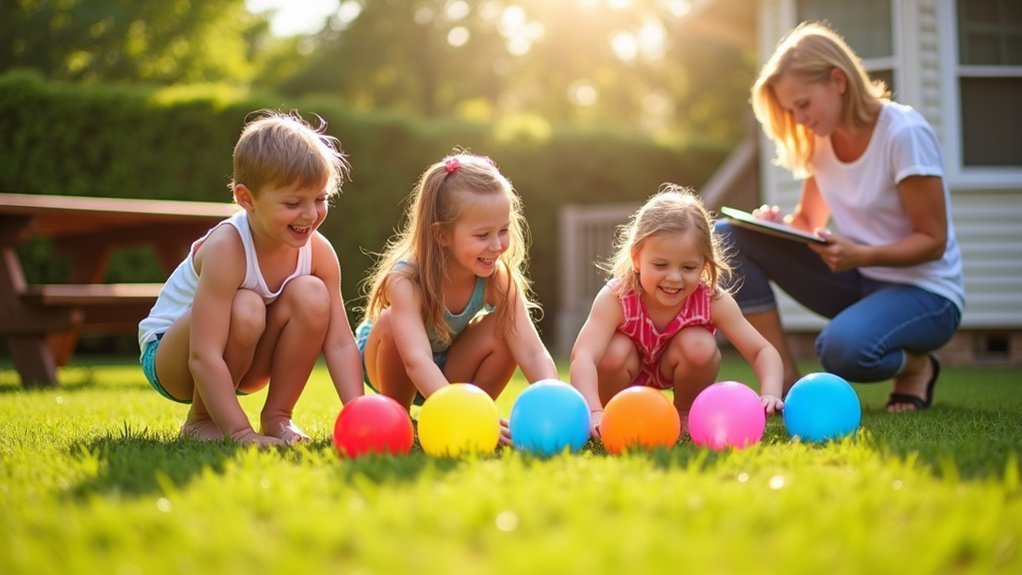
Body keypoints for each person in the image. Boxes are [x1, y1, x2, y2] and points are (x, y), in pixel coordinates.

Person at [718, 22, 964, 412]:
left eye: (803, 104)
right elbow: (807, 221)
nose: (798, 119)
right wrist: (777, 228)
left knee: (841, 351)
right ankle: (783, 379)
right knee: (728, 235)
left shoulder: (903, 134)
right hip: (861, 279)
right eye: (789, 110)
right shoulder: (821, 140)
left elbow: (932, 241)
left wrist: (862, 255)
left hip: (927, 294)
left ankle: (918, 367)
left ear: (838, 80)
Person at [138, 110, 364, 447]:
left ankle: (277, 417)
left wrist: (361, 414)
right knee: (246, 305)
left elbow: (341, 342)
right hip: (174, 360)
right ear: (247, 199)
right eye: (293, 202)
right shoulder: (227, 247)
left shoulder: (319, 252)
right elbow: (203, 354)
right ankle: (201, 421)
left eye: (320, 199)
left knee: (313, 295)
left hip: (245, 359)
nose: (310, 214)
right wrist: (241, 434)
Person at [356, 153, 559, 443]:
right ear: (442, 235)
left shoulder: (497, 278)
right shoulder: (406, 280)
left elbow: (532, 351)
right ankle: (402, 419)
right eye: (482, 235)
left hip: (447, 360)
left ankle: (472, 411)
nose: (497, 245)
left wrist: (555, 399)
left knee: (505, 329)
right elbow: (415, 360)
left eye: (503, 231)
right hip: (392, 361)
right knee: (390, 323)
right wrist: (454, 411)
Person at [570, 185, 784, 438]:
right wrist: (594, 411)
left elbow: (763, 350)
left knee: (700, 345)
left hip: (676, 364)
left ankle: (684, 412)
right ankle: (614, 412)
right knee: (613, 351)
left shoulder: (711, 300)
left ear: (705, 265)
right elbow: (583, 356)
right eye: (660, 264)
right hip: (623, 372)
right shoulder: (616, 298)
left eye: (688, 267)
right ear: (637, 258)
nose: (674, 278)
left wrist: (770, 392)